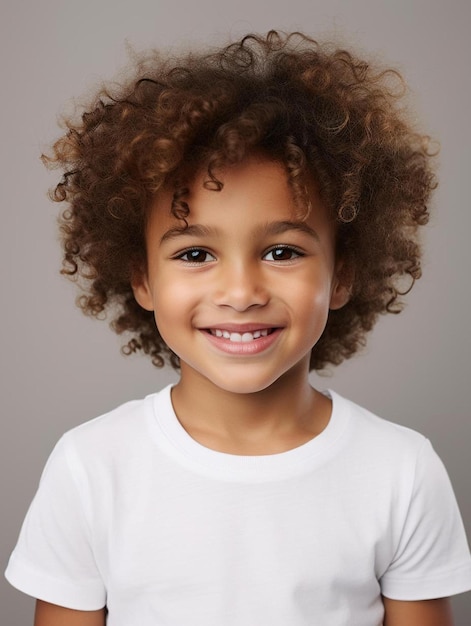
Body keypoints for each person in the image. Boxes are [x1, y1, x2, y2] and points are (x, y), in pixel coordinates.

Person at [5, 31, 471, 626]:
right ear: (142, 280)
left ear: (343, 273)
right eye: (195, 255)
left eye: (282, 252)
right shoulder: (91, 466)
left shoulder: (401, 471)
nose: (242, 293)